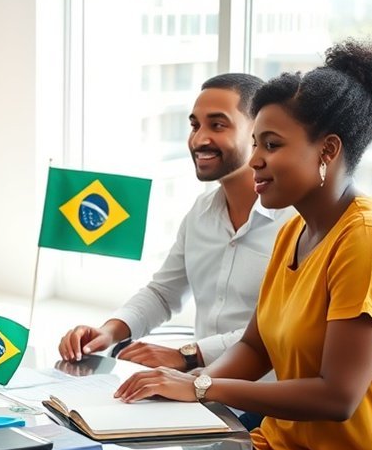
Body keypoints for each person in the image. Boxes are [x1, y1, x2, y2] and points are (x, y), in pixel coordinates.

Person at [116, 40, 372, 450]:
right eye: (256, 142)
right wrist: (186, 386)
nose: (254, 159)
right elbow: (255, 348)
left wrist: (201, 386)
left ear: (328, 151)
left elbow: (339, 396)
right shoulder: (295, 228)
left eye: (271, 145)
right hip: (291, 447)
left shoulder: (369, 238)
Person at [59, 74, 294, 375]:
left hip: (261, 403)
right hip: (199, 389)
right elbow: (162, 293)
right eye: (195, 125)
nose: (198, 139)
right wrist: (108, 332)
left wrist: (188, 355)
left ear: (257, 132)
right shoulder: (201, 212)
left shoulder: (296, 223)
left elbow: (280, 326)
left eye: (217, 125)